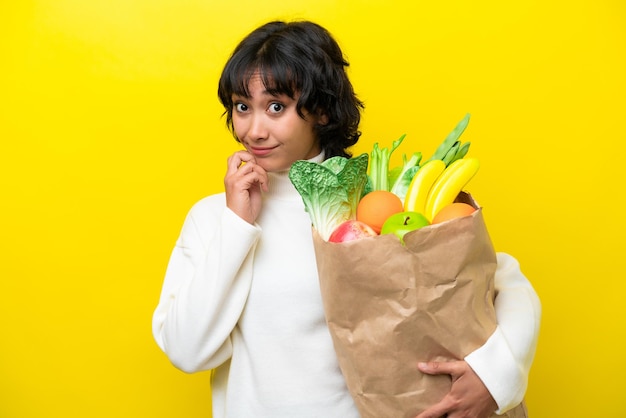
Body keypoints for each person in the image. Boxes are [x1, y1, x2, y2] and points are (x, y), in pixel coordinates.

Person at [152, 20, 541, 418]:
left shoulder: (372, 199)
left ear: (320, 111)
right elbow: (186, 350)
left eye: (276, 107)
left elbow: (500, 279)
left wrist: (496, 377)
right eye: (241, 107)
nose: (254, 130)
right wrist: (238, 224)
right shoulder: (212, 218)